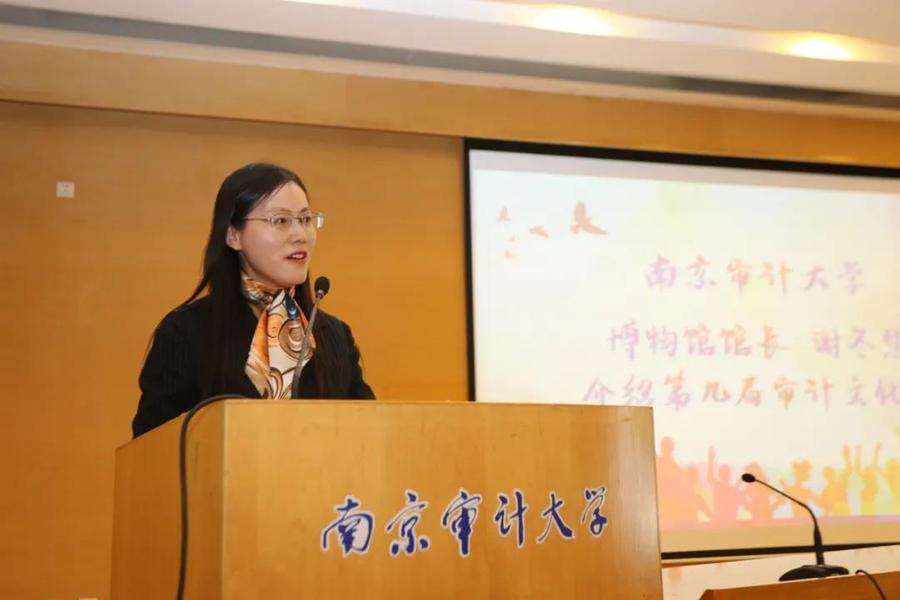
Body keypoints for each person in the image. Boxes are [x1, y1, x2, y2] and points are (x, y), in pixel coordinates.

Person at [132, 163, 375, 437]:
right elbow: (151, 447)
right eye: (280, 221)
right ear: (233, 235)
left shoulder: (333, 336)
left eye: (306, 219)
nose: (300, 235)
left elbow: (369, 434)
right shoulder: (186, 332)